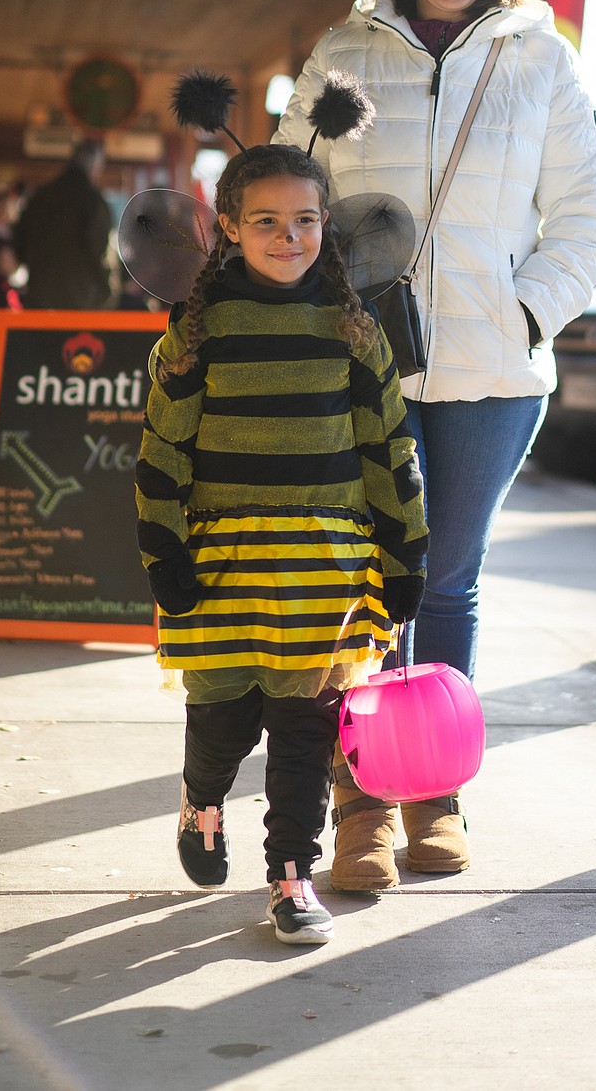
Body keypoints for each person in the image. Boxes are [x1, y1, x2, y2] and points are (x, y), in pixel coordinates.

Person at [276, 0, 596, 890]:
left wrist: (526, 310)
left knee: (449, 585)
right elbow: (289, 196)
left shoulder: (540, 60)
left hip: (490, 372)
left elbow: (590, 212)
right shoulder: (344, 53)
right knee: (361, 587)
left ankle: (437, 794)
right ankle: (362, 806)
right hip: (362, 366)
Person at [135, 144, 427, 947]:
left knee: (305, 730)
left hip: (322, 573)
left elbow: (389, 450)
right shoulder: (197, 331)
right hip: (221, 567)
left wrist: (405, 556)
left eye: (304, 219)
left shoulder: (354, 330)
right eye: (265, 220)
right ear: (228, 225)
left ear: (325, 225)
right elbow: (164, 450)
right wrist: (165, 553)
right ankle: (203, 799)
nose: (287, 235)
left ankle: (292, 875)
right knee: (223, 720)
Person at [12, 140, 112, 310]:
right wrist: (105, 287)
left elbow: (19, 244)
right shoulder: (93, 201)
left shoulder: (40, 196)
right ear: (95, 168)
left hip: (39, 293)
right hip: (80, 297)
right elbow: (98, 249)